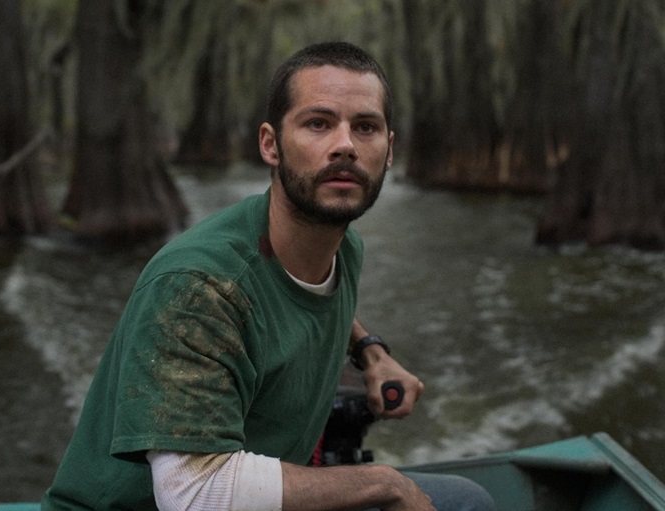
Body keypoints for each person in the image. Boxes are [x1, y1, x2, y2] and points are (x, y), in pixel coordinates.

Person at [42, 42, 496, 511]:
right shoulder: (198, 287)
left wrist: (370, 351)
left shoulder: (342, 249)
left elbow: (305, 296)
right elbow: (194, 493)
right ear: (270, 144)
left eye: (365, 127)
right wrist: (382, 483)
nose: (345, 145)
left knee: (466, 500)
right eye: (318, 124)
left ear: (389, 150)